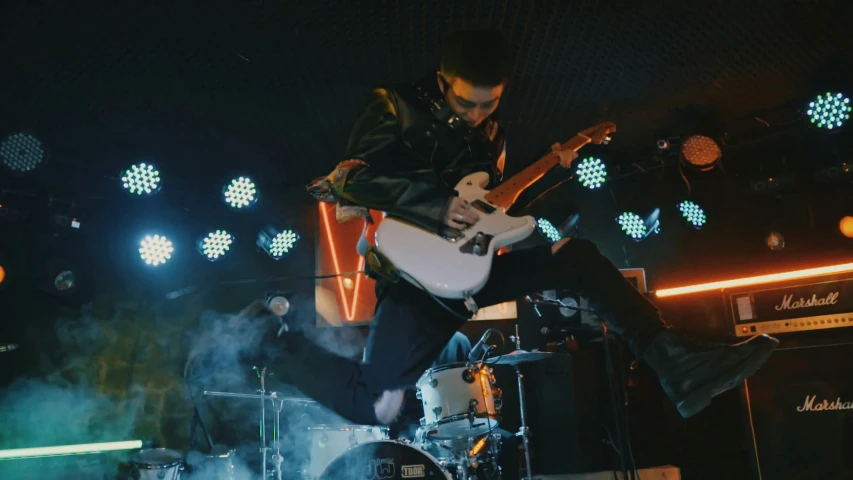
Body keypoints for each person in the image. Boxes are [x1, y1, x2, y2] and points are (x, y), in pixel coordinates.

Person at [288, 27, 778, 430]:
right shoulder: (394, 103)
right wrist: (437, 206)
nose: (478, 115)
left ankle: (676, 364)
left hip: (470, 275)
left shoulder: (494, 136)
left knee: (578, 258)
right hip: (413, 282)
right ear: (442, 82)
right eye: (466, 104)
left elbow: (487, 213)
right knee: (374, 406)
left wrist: (552, 167)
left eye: (489, 104)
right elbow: (352, 178)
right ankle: (272, 343)